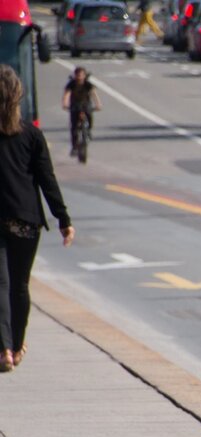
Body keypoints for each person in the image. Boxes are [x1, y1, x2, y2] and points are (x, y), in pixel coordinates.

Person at [0, 66, 74, 372]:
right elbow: (47, 180)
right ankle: (16, 347)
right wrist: (63, 218)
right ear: (18, 96)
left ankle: (2, 348)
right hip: (25, 220)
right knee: (19, 286)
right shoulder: (31, 135)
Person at [61, 67, 100, 158]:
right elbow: (66, 94)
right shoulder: (71, 84)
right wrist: (65, 103)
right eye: (77, 75)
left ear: (84, 76)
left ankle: (88, 130)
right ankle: (74, 146)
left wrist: (98, 104)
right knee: (74, 127)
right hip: (75, 105)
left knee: (89, 116)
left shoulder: (88, 84)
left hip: (86, 105)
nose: (79, 77)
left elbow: (94, 94)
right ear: (75, 76)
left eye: (81, 75)